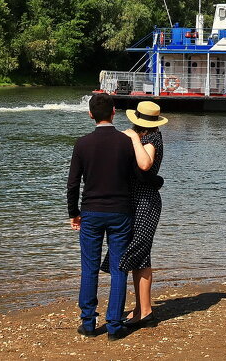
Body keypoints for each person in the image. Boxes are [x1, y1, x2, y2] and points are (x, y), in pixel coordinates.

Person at [66, 95, 136, 341]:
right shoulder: (125, 142)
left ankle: (88, 322)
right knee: (119, 268)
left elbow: (73, 184)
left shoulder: (82, 144)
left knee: (89, 267)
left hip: (92, 212)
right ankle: (115, 326)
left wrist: (74, 213)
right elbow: (135, 177)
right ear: (114, 112)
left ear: (90, 114)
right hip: (120, 211)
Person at [118, 101, 167, 326]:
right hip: (134, 200)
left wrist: (135, 139)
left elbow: (145, 165)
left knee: (140, 253)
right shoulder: (137, 136)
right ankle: (141, 308)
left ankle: (145, 311)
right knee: (139, 254)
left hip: (146, 201)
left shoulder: (152, 138)